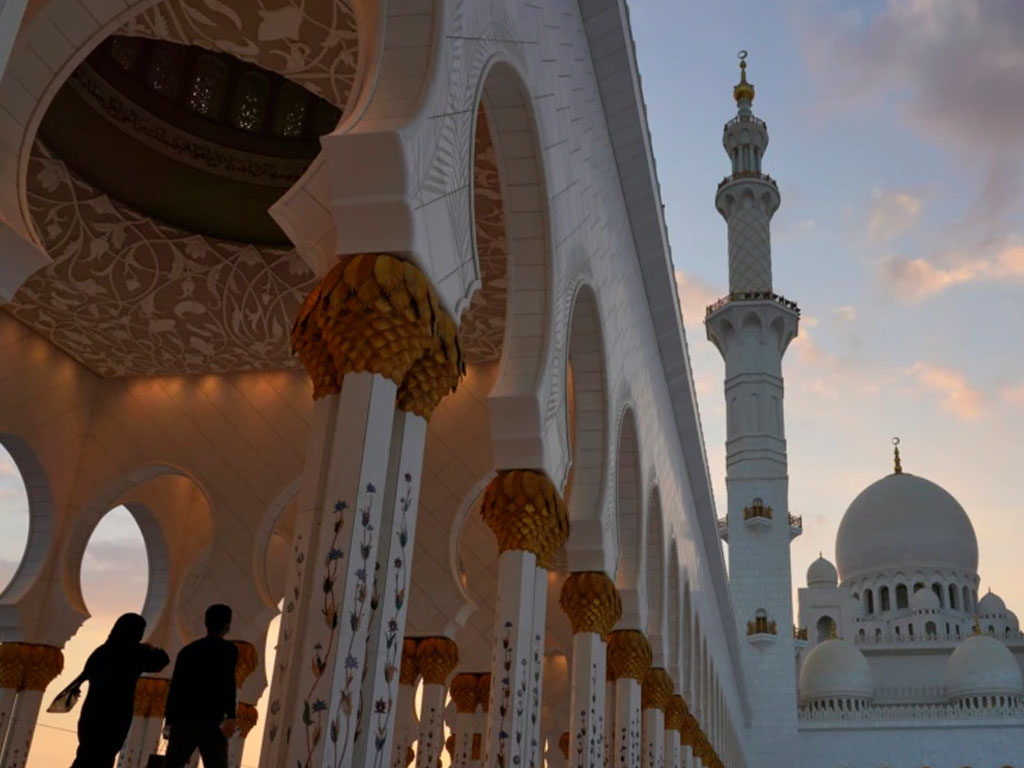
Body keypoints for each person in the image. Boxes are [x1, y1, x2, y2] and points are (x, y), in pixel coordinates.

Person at [68, 612, 170, 768]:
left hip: (93, 714)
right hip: (116, 716)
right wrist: (151, 648)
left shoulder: (101, 652)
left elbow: (88, 674)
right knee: (104, 756)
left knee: (86, 755)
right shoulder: (134, 653)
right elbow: (162, 661)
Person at [162, 604, 238, 768]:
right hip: (211, 721)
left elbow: (176, 688)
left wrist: (169, 720)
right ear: (227, 625)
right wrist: (231, 716)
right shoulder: (228, 650)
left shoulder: (188, 651)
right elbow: (228, 684)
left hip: (183, 720)